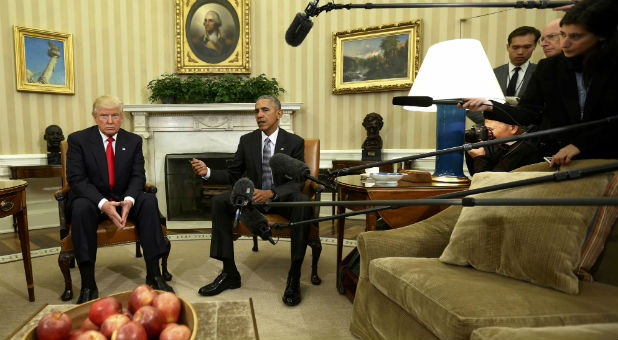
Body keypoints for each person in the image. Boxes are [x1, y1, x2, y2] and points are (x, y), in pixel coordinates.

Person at [461, 0, 618, 167]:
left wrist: (579, 145)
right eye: (563, 35)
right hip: (556, 158)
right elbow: (528, 113)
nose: (565, 43)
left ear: (600, 36)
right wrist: (490, 106)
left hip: (607, 158)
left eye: (575, 37)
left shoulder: (613, 66)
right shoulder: (549, 67)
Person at [190, 95, 313, 307]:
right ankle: (229, 273)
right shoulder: (247, 141)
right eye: (256, 111)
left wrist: (272, 193)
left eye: (265, 110)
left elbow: (298, 181)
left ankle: (294, 276)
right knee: (220, 201)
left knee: (303, 202)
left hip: (281, 198)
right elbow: (232, 175)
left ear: (279, 114)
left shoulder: (294, 142)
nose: (259, 115)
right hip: (252, 197)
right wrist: (207, 171)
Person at [66, 95, 173, 303]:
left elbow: (138, 176)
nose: (110, 121)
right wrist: (103, 204)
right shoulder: (78, 140)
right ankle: (88, 284)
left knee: (149, 201)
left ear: (121, 118)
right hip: (93, 200)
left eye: (115, 115)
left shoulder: (132, 141)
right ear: (95, 117)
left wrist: (130, 200)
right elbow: (76, 179)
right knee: (79, 207)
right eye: (104, 116)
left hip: (124, 197)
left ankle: (154, 275)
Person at [467, 26, 541, 124]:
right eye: (515, 47)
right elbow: (470, 105)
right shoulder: (492, 74)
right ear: (508, 47)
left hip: (528, 132)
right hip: (494, 131)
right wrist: (491, 124)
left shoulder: (540, 73)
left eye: (527, 47)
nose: (520, 52)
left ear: (535, 46)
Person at [465, 110, 540, 176]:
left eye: (490, 129)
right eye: (485, 129)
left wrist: (479, 157)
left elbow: (490, 183)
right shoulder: (505, 144)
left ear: (513, 128)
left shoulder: (523, 149)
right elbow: (475, 175)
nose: (488, 134)